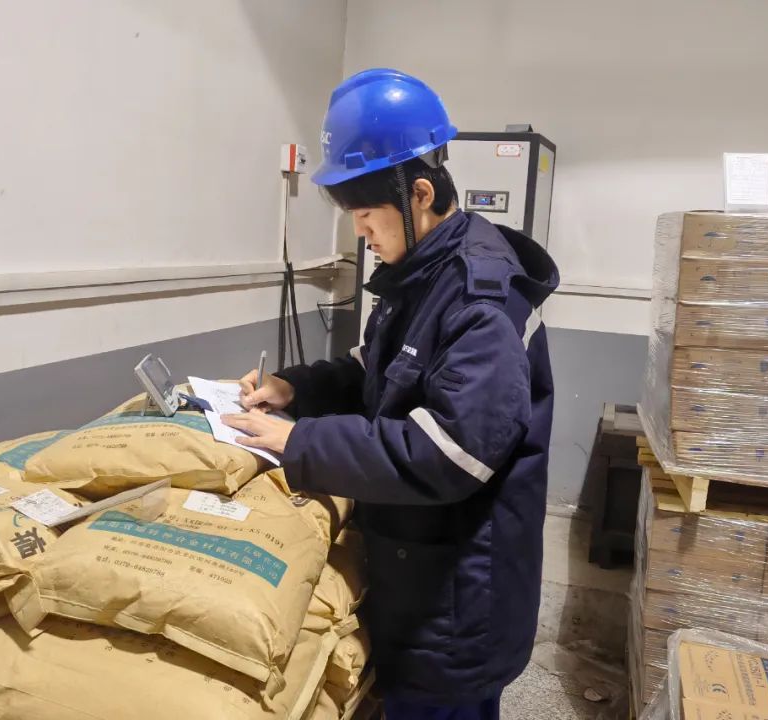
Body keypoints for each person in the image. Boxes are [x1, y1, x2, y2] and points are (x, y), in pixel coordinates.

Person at [223, 68, 559, 720]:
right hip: (420, 567)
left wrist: (302, 441)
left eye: (366, 216)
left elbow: (451, 452)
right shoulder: (420, 275)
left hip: (461, 595)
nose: (362, 234)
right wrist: (295, 387)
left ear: (420, 195)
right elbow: (378, 371)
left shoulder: (478, 298)